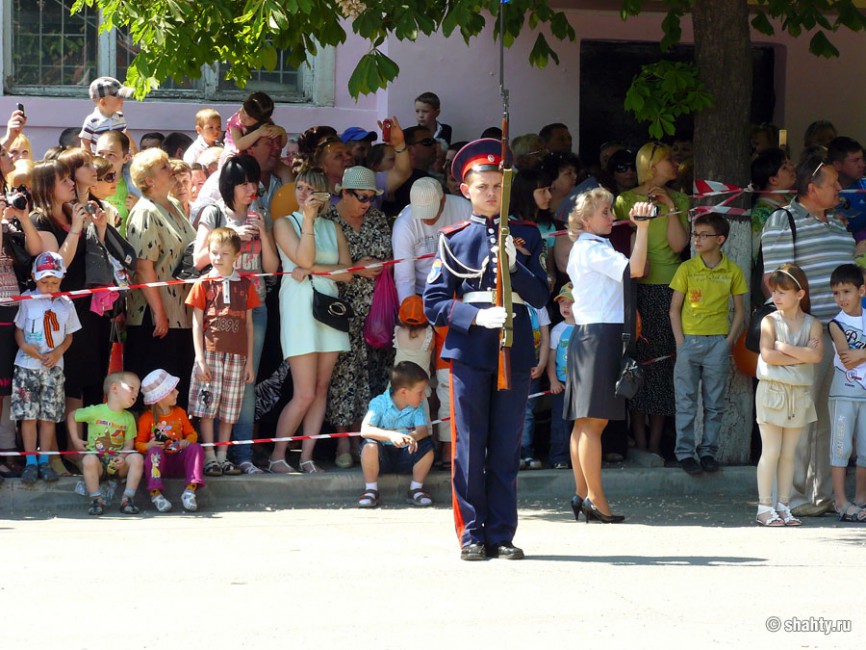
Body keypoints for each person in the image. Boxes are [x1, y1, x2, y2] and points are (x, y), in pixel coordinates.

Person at [423, 138, 549, 561]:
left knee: (506, 446)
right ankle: (471, 533)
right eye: (483, 187)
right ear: (467, 191)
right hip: (472, 349)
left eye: (499, 186)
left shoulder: (527, 234)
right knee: (470, 445)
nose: (492, 193)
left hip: (513, 349)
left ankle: (502, 532)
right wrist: (474, 317)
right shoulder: (453, 239)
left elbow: (541, 295)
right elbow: (434, 303)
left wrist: (516, 266)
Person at [761, 154, 856, 517]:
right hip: (806, 330)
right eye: (832, 181)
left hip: (841, 333)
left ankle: (820, 497)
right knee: (797, 415)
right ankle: (791, 496)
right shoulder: (782, 220)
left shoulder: (837, 223)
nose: (839, 187)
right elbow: (777, 282)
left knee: (827, 417)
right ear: (812, 188)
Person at [564, 188, 653, 524]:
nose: (611, 217)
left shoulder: (590, 247)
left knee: (585, 423)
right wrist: (642, 228)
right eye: (604, 211)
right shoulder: (590, 248)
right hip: (599, 335)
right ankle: (596, 499)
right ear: (585, 219)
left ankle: (583, 493)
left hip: (594, 335)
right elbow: (637, 269)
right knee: (592, 423)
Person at [192, 154, 278, 474]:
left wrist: (263, 233)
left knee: (246, 381)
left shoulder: (261, 213)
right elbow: (200, 257)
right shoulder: (214, 212)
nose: (249, 188)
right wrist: (232, 239)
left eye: (253, 182)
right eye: (242, 183)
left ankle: (242, 456)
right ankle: (215, 456)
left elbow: (271, 268)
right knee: (215, 380)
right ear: (228, 185)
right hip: (218, 308)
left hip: (254, 307)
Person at [269, 167, 353, 474]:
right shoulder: (284, 223)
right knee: (303, 391)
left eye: (311, 190)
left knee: (321, 387)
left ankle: (307, 456)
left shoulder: (334, 228)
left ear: (324, 196)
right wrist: (306, 220)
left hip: (328, 305)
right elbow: (301, 260)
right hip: (299, 306)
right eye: (300, 188)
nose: (304, 195)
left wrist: (313, 269)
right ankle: (278, 455)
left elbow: (347, 273)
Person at [614, 141, 690, 457]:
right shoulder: (624, 200)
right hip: (635, 288)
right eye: (668, 159)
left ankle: (656, 444)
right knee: (634, 363)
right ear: (651, 164)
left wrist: (670, 205)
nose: (675, 163)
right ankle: (638, 441)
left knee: (663, 367)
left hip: (669, 290)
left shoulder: (682, 198)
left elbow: (677, 246)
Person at [325, 167, 395, 471]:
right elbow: (321, 265)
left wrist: (377, 266)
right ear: (344, 193)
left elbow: (391, 256)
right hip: (340, 308)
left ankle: (367, 440)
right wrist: (355, 268)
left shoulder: (378, 219)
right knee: (343, 377)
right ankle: (343, 441)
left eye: (371, 197)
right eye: (361, 197)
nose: (367, 203)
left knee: (373, 375)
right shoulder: (329, 220)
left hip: (376, 312)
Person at [669, 213, 747, 475]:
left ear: (720, 239)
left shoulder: (733, 270)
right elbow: (674, 309)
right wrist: (680, 342)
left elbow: (740, 310)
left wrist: (728, 342)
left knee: (714, 403)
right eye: (696, 234)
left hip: (717, 344)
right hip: (689, 342)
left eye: (704, 235)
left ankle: (708, 452)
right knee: (686, 402)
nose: (697, 239)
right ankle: (684, 453)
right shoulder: (687, 268)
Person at [124, 148, 197, 408]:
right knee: (157, 386)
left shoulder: (175, 205)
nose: (172, 169)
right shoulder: (145, 211)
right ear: (149, 180)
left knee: (178, 385)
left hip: (182, 310)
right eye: (164, 167)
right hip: (154, 315)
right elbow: (144, 267)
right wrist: (160, 312)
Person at [186, 228, 260, 477]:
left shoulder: (245, 286)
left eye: (224, 253)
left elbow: (249, 324)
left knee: (229, 409)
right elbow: (197, 322)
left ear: (236, 256)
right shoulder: (203, 283)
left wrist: (249, 362)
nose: (218, 258)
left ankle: (222, 455)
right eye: (214, 252)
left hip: (238, 358)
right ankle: (208, 455)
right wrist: (199, 357)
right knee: (207, 407)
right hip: (211, 355)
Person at [755, 265, 823, 526]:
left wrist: (784, 348)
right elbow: (768, 354)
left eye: (783, 292)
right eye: (775, 291)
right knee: (770, 451)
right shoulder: (769, 320)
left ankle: (783, 505)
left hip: (799, 394)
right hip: (773, 392)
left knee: (789, 454)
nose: (777, 297)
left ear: (800, 293)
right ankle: (763, 507)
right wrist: (799, 353)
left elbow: (816, 356)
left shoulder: (812, 323)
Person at [11, 252, 81, 484]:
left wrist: (58, 352)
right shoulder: (27, 299)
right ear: (34, 277)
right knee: (29, 416)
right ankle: (30, 463)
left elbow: (69, 336)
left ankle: (45, 461)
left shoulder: (66, 303)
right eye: (44, 282)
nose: (49, 286)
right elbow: (19, 329)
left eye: (54, 282)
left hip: (53, 367)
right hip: (26, 366)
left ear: (61, 279)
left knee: (48, 417)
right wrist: (25, 346)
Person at [357, 361, 435, 508]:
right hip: (382, 457)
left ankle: (416, 488)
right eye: (420, 392)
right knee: (369, 445)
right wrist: (391, 436)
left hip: (406, 455)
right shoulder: (379, 403)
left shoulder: (417, 406)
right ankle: (371, 490)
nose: (423, 396)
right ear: (404, 392)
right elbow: (365, 429)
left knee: (427, 446)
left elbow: (423, 430)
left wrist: (411, 437)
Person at [68, 371, 143, 516]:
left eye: (138, 391)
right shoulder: (96, 411)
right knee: (89, 459)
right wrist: (75, 440)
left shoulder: (129, 418)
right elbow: (72, 416)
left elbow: (129, 444)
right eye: (132, 388)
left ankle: (127, 499)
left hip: (118, 464)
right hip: (98, 464)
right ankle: (96, 500)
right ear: (114, 388)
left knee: (137, 458)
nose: (135, 394)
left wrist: (122, 456)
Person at [826, 264, 866, 521]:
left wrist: (860, 353)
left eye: (847, 291)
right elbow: (847, 357)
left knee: (865, 448)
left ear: (861, 290)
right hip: (844, 392)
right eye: (836, 293)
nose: (842, 298)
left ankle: (861, 498)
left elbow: (857, 355)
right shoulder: (835, 323)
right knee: (840, 447)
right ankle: (841, 501)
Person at [135, 369, 204, 513]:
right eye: (172, 390)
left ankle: (190, 491)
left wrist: (187, 440)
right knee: (154, 452)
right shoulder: (146, 419)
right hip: (160, 465)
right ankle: (156, 495)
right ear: (160, 397)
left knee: (196, 447)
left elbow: (192, 433)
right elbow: (138, 444)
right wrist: (148, 445)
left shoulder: (180, 413)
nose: (177, 392)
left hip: (179, 461)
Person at [547, 283, 576, 470]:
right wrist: (553, 381)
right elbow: (551, 359)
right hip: (562, 384)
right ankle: (558, 457)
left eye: (570, 303)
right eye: (562, 303)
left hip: (582, 384)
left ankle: (579, 458)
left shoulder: (587, 327)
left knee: (581, 423)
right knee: (560, 423)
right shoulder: (557, 330)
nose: (565, 307)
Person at [750, 148, 795, 265]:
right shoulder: (759, 213)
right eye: (784, 168)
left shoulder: (793, 199)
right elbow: (759, 255)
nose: (791, 168)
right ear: (773, 180)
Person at [95, 130, 141, 235]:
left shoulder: (135, 186)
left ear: (126, 158)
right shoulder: (86, 183)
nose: (104, 159)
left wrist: (138, 208)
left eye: (111, 155)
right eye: (100, 153)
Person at [79, 76, 137, 155]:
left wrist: (134, 150)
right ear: (103, 102)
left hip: (117, 160)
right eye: (118, 97)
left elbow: (125, 134)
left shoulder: (120, 117)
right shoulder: (92, 121)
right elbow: (85, 142)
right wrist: (89, 160)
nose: (122, 100)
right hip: (100, 162)